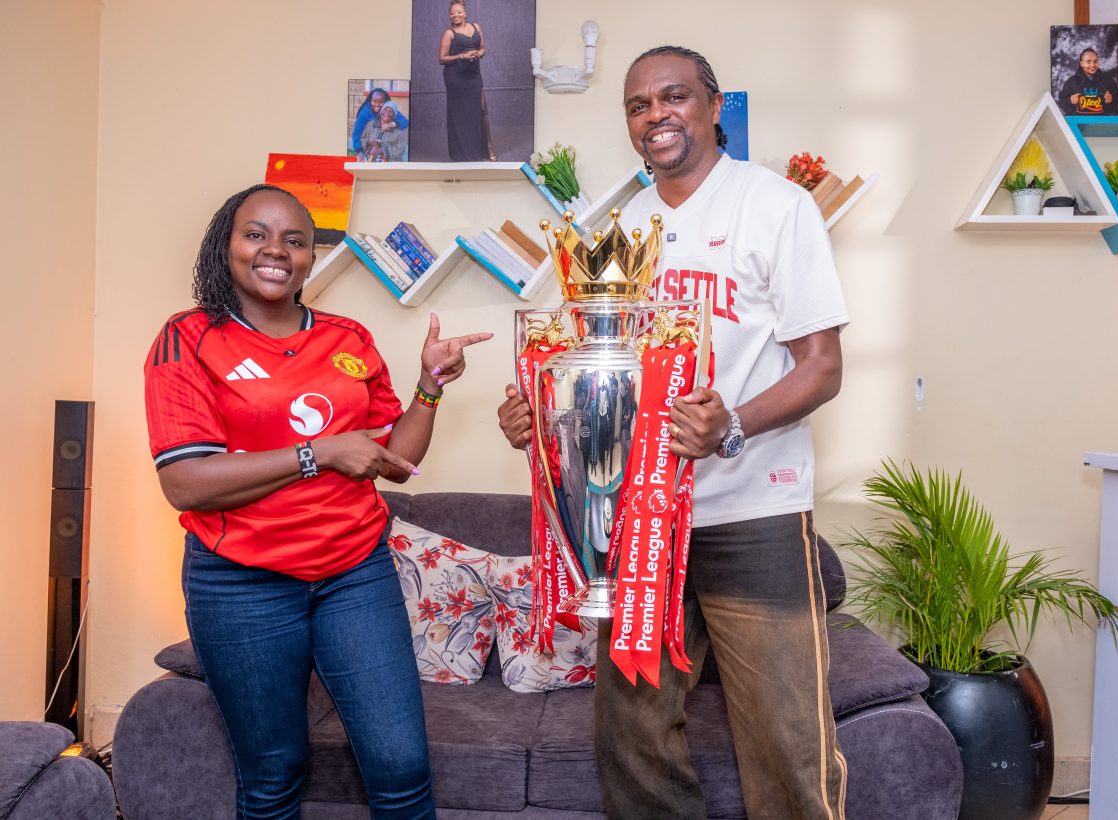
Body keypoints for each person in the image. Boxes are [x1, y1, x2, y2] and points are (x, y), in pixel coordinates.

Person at [497, 46, 849, 819]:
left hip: (753, 509)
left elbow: (823, 367)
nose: (655, 115)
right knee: (633, 735)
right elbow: (587, 374)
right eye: (637, 105)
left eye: (674, 97)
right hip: (638, 519)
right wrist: (537, 415)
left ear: (714, 105)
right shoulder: (614, 229)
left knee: (787, 738)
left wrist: (732, 426)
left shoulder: (777, 205)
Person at [144, 183, 490, 819]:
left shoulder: (347, 338)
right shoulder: (188, 338)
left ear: (310, 258)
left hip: (355, 573)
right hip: (241, 584)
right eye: (256, 234)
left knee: (402, 765)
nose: (276, 250)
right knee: (274, 775)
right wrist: (320, 453)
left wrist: (430, 386)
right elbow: (184, 482)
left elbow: (399, 462)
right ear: (226, 246)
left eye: (295, 240)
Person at [439, 0, 495, 161]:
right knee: (460, 114)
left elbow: (483, 48)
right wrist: (462, 56)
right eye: (452, 13)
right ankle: (462, 153)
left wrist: (479, 54)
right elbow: (441, 59)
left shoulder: (476, 27)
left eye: (458, 12)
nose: (455, 15)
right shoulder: (449, 33)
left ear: (465, 13)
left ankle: (489, 149)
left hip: (473, 75)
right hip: (455, 77)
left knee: (481, 109)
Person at [1058, 47, 1118, 114]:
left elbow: (1116, 101)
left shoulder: (1107, 81)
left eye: (1095, 61)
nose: (1092, 65)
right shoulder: (1072, 82)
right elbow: (1061, 101)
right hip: (1078, 123)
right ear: (1081, 63)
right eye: (1088, 62)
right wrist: (1070, 100)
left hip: (1101, 122)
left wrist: (1111, 99)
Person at [351, 88, 409, 157]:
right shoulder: (364, 113)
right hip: (368, 148)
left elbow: (405, 122)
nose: (377, 105)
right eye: (374, 101)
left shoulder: (387, 111)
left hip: (385, 148)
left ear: (385, 102)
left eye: (381, 102)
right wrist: (359, 151)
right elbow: (356, 133)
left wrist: (391, 124)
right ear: (370, 101)